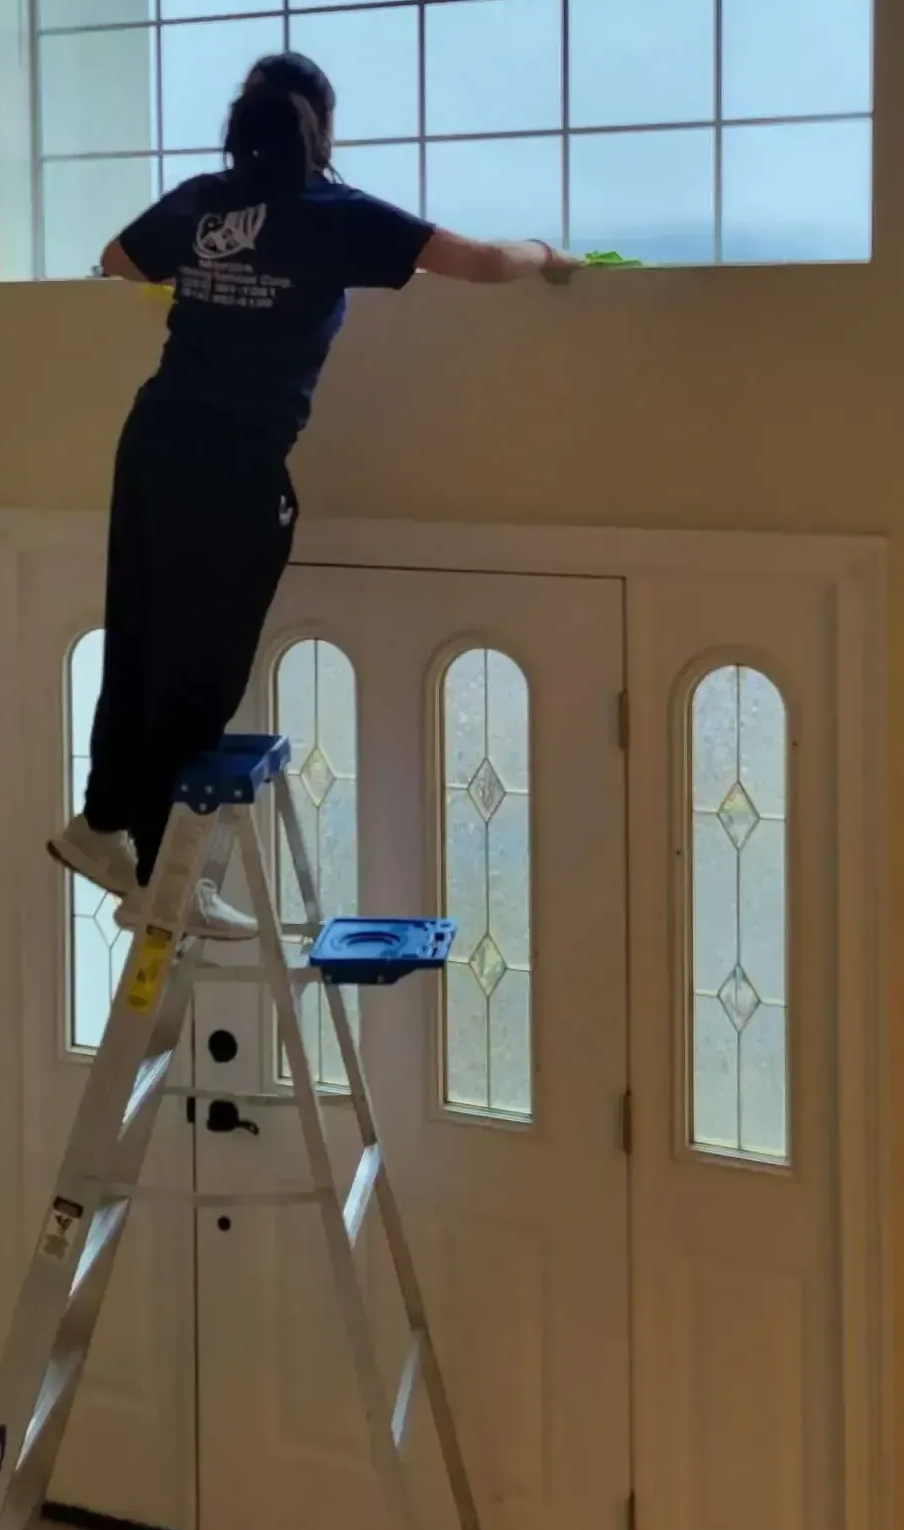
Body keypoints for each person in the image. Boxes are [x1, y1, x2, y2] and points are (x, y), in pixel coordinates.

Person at [49, 52, 577, 938]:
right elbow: (484, 262)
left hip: (154, 440)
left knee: (140, 630)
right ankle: (156, 875)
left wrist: (208, 278)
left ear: (239, 126)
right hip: (233, 463)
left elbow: (114, 258)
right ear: (318, 128)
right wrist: (549, 252)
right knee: (204, 660)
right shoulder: (335, 215)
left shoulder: (202, 200)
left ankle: (100, 824)